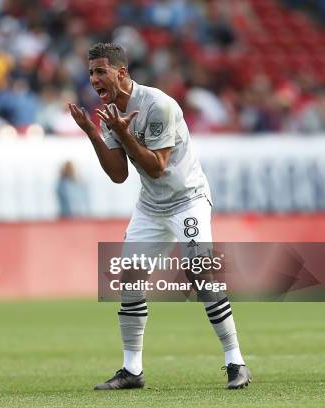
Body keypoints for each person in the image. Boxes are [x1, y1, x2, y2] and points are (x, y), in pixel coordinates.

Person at [68, 43, 251, 390]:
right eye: (91, 72)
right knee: (129, 280)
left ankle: (235, 362)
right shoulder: (109, 111)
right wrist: (93, 133)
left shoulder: (159, 105)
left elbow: (156, 167)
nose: (93, 79)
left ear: (121, 72)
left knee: (200, 273)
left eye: (100, 71)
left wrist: (122, 133)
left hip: (188, 200)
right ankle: (132, 370)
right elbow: (119, 173)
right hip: (151, 207)